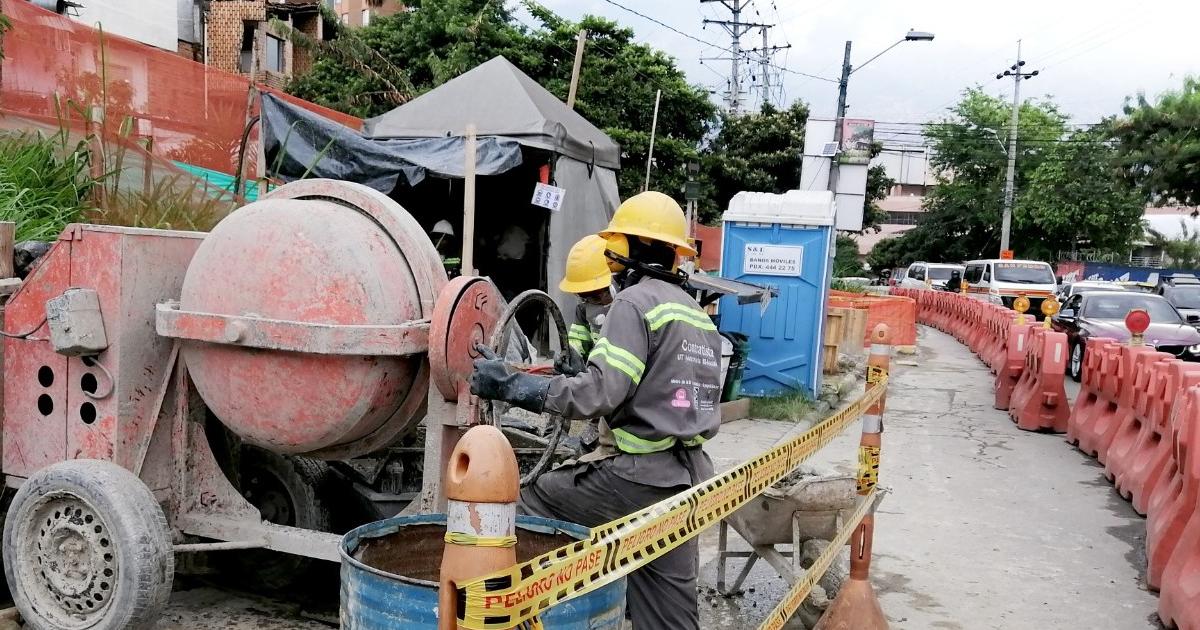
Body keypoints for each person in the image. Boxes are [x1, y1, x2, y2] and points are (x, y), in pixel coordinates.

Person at [470, 191, 722, 629]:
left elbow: (598, 394)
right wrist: (582, 373)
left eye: (617, 244)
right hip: (690, 479)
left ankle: (520, 614)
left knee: (527, 501)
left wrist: (510, 384)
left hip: (637, 478)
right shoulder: (696, 314)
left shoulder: (634, 302)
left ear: (637, 245)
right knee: (670, 618)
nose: (612, 257)